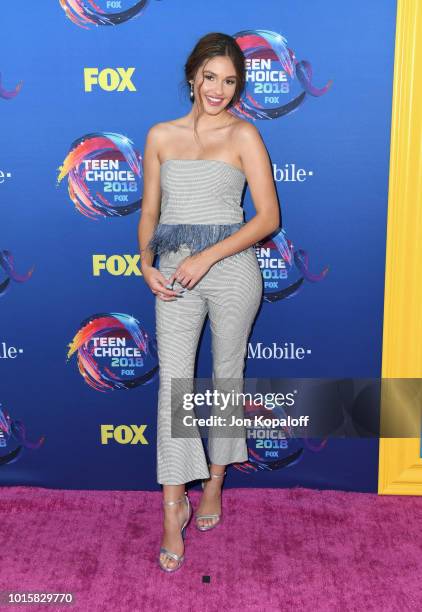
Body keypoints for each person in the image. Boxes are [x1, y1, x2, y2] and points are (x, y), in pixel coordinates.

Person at [138, 32, 280, 572]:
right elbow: (149, 211)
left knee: (225, 377)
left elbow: (267, 218)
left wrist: (207, 258)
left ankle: (215, 483)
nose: (218, 89)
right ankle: (172, 504)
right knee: (174, 384)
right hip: (171, 271)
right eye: (210, 76)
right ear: (193, 73)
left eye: (230, 81)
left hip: (232, 270)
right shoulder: (159, 135)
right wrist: (147, 262)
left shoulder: (244, 135)